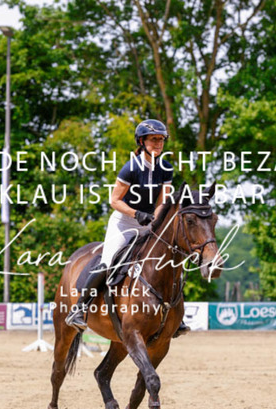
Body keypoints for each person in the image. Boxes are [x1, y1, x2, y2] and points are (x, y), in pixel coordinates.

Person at [65, 119, 190, 337]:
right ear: (142, 142)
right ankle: (79, 308)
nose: (158, 143)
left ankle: (175, 316)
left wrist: (156, 221)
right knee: (108, 262)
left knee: (167, 261)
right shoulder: (131, 168)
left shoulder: (166, 169)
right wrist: (136, 214)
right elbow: (114, 200)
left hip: (149, 223)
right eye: (154, 139)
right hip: (123, 222)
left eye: (161, 140)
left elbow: (163, 201)